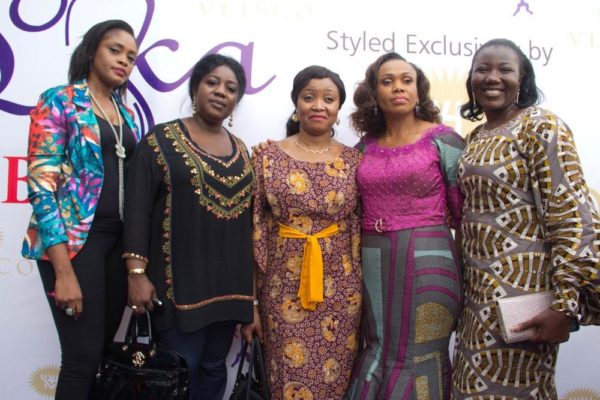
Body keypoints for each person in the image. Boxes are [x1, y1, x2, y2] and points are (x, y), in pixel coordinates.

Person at [452, 38, 600, 399]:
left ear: (523, 80)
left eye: (505, 69)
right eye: (482, 69)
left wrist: (564, 306)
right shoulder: (475, 137)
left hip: (525, 298)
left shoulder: (541, 125)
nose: (492, 77)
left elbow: (572, 216)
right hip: (476, 299)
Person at [123, 53, 254, 400]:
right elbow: (137, 209)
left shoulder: (242, 151)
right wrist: (136, 274)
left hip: (229, 291)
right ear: (195, 87)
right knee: (178, 374)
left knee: (213, 370)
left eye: (231, 88)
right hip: (176, 289)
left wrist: (252, 299)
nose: (221, 92)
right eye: (212, 82)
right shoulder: (160, 141)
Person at [21, 20, 140, 399]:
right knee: (81, 359)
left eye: (131, 57)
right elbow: (41, 186)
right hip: (74, 245)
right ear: (91, 52)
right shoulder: (60, 100)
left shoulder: (126, 114)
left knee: (102, 356)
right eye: (115, 50)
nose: (124, 61)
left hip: (116, 245)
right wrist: (63, 271)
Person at [345, 52, 465, 400]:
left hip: (429, 261)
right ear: (374, 93)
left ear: (418, 90)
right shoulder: (362, 148)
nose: (398, 87)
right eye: (387, 81)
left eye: (406, 80)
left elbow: (465, 214)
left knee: (419, 354)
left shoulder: (445, 141)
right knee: (378, 347)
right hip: (374, 263)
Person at [242, 66, 362, 400]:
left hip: (341, 293)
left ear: (338, 108)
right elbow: (255, 233)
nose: (318, 105)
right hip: (281, 289)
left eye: (328, 99)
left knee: (334, 381)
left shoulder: (354, 161)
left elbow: (359, 231)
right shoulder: (267, 157)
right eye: (309, 97)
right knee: (285, 379)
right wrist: (252, 303)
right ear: (296, 103)